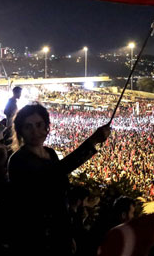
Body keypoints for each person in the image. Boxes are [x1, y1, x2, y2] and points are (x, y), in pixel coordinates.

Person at [7, 103, 110, 255]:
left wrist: (68, 234)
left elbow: (59, 196)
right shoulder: (19, 160)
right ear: (21, 131)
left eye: (38, 125)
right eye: (28, 127)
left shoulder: (50, 153)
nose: (35, 131)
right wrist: (92, 141)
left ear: (46, 126)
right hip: (34, 236)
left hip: (58, 230)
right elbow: (53, 174)